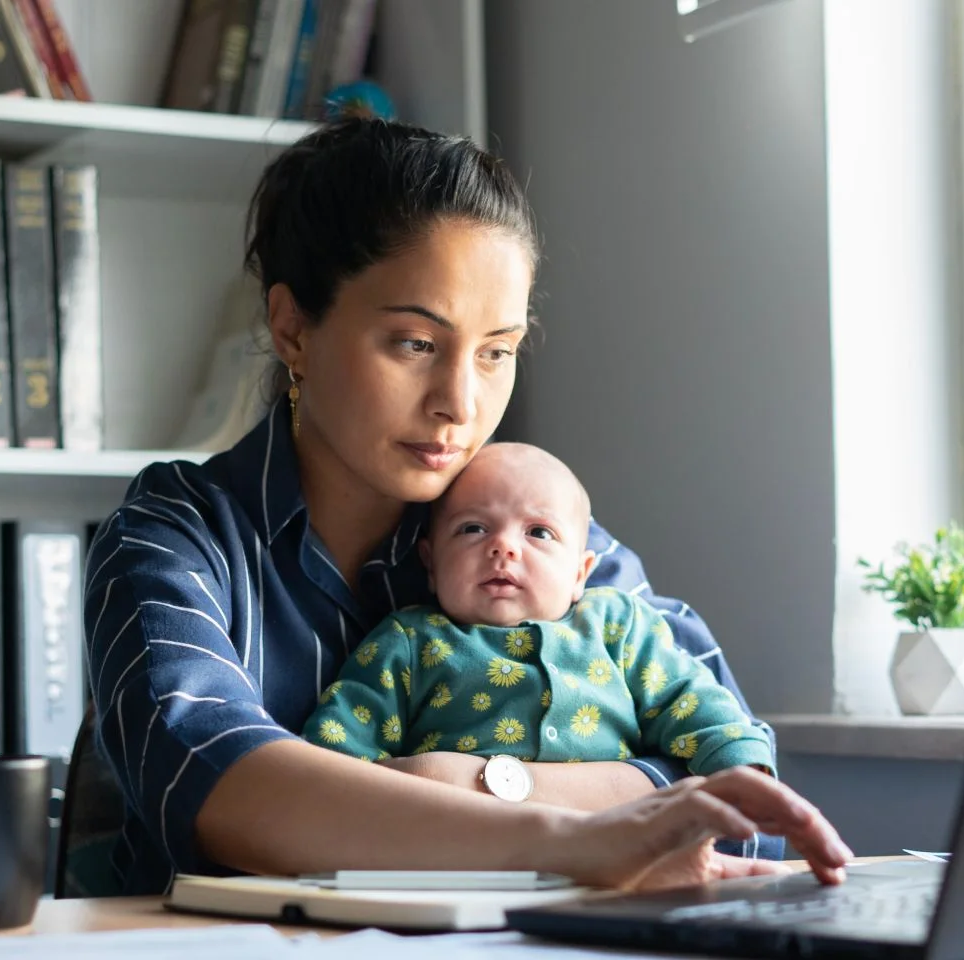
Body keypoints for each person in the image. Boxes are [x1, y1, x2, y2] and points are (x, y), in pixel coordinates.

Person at [82, 116, 850, 897]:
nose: (461, 402)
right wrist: (583, 829)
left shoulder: (542, 535)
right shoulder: (172, 537)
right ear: (293, 328)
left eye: (496, 352)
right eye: (415, 343)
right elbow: (215, 778)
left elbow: (737, 796)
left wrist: (462, 780)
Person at [304, 442, 776, 779]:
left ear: (580, 573)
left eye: (539, 533)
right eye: (472, 529)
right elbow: (338, 751)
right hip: (455, 854)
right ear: (430, 563)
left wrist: (742, 764)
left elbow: (688, 700)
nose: (503, 548)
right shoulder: (408, 641)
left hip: (616, 853)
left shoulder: (618, 626)